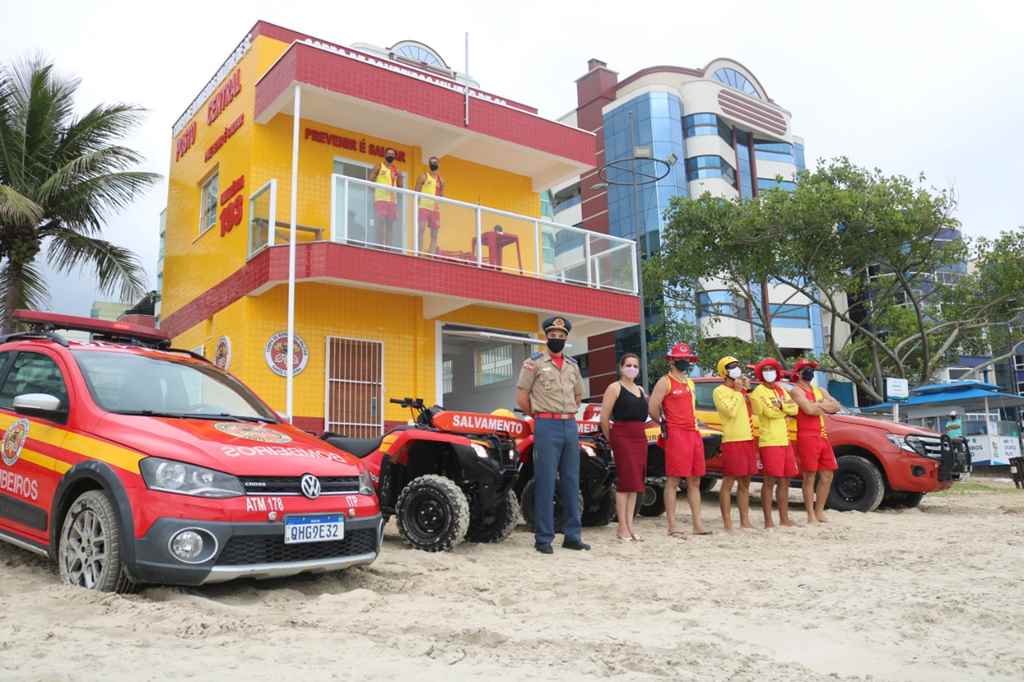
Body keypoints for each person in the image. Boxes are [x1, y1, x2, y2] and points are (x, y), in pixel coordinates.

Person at [516, 316, 590, 554]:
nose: (556, 339)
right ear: (546, 337)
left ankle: (572, 535)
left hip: (570, 425)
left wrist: (566, 413)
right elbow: (522, 397)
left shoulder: (572, 365)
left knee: (571, 481)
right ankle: (543, 538)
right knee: (546, 481)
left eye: (561, 336)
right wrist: (539, 415)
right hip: (546, 425)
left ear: (566, 338)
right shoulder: (533, 363)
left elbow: (579, 396)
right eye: (553, 335)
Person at [648, 342, 710, 537]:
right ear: (672, 361)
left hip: (693, 432)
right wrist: (665, 424)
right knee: (673, 480)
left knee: (695, 480)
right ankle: (672, 524)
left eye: (687, 359)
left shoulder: (689, 382)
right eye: (680, 358)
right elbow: (653, 406)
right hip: (676, 433)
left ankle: (697, 523)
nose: (684, 361)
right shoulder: (664, 381)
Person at [599, 353, 647, 542]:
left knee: (635, 483)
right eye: (628, 365)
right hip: (622, 436)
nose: (632, 369)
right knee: (625, 482)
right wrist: (612, 439)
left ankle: (630, 525)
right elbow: (604, 417)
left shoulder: (641, 390)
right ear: (621, 367)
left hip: (639, 437)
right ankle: (621, 527)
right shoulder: (614, 388)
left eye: (635, 366)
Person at [789, 359, 841, 523]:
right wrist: (822, 405)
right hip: (806, 436)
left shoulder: (820, 390)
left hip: (822, 434)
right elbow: (809, 410)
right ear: (798, 373)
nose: (809, 371)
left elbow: (837, 406)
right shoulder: (796, 391)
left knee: (828, 474)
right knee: (809, 476)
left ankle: (819, 511)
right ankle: (810, 513)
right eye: (805, 369)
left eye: (811, 368)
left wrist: (818, 404)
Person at [749, 358, 800, 529]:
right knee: (769, 481)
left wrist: (783, 408)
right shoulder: (758, 392)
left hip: (785, 439)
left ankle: (784, 518)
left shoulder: (781, 390)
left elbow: (795, 409)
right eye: (766, 369)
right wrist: (784, 410)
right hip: (769, 441)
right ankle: (768, 521)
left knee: (785, 480)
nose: (769, 372)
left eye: (772, 369)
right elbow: (768, 413)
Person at [713, 356, 757, 531]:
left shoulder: (742, 391)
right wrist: (739, 392)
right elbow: (729, 411)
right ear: (724, 372)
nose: (736, 369)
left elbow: (755, 409)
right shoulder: (719, 391)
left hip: (747, 438)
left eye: (737, 366)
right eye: (732, 367)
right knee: (728, 482)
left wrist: (748, 390)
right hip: (732, 440)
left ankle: (745, 521)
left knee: (746, 482)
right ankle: (727, 523)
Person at [373, 148, 402, 248]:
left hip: (392, 201)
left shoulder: (396, 170)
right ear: (385, 155)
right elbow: (370, 181)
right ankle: (380, 246)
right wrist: (376, 191)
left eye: (392, 154)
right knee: (380, 222)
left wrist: (400, 176)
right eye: (389, 154)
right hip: (380, 199)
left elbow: (400, 187)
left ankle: (388, 247)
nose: (391, 156)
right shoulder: (379, 166)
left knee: (390, 225)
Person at [414, 156, 444, 254]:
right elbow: (416, 192)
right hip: (424, 207)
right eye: (432, 162)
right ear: (429, 164)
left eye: (435, 162)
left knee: (434, 234)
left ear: (438, 165)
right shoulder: (424, 176)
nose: (433, 164)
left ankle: (431, 254)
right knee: (421, 229)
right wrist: (418, 204)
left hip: (435, 209)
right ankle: (418, 252)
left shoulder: (441, 180)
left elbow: (442, 195)